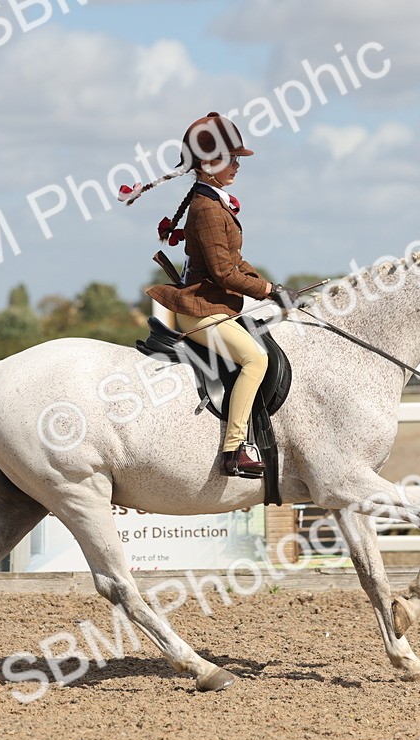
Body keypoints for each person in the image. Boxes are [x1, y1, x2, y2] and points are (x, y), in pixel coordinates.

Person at [120, 112, 299, 477]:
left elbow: (236, 261)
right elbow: (223, 273)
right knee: (255, 360)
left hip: (218, 305)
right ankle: (234, 450)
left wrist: (275, 289)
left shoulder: (214, 202)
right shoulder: (206, 208)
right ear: (206, 163)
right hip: (203, 310)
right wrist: (267, 290)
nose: (236, 165)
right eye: (230, 158)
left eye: (237, 158)